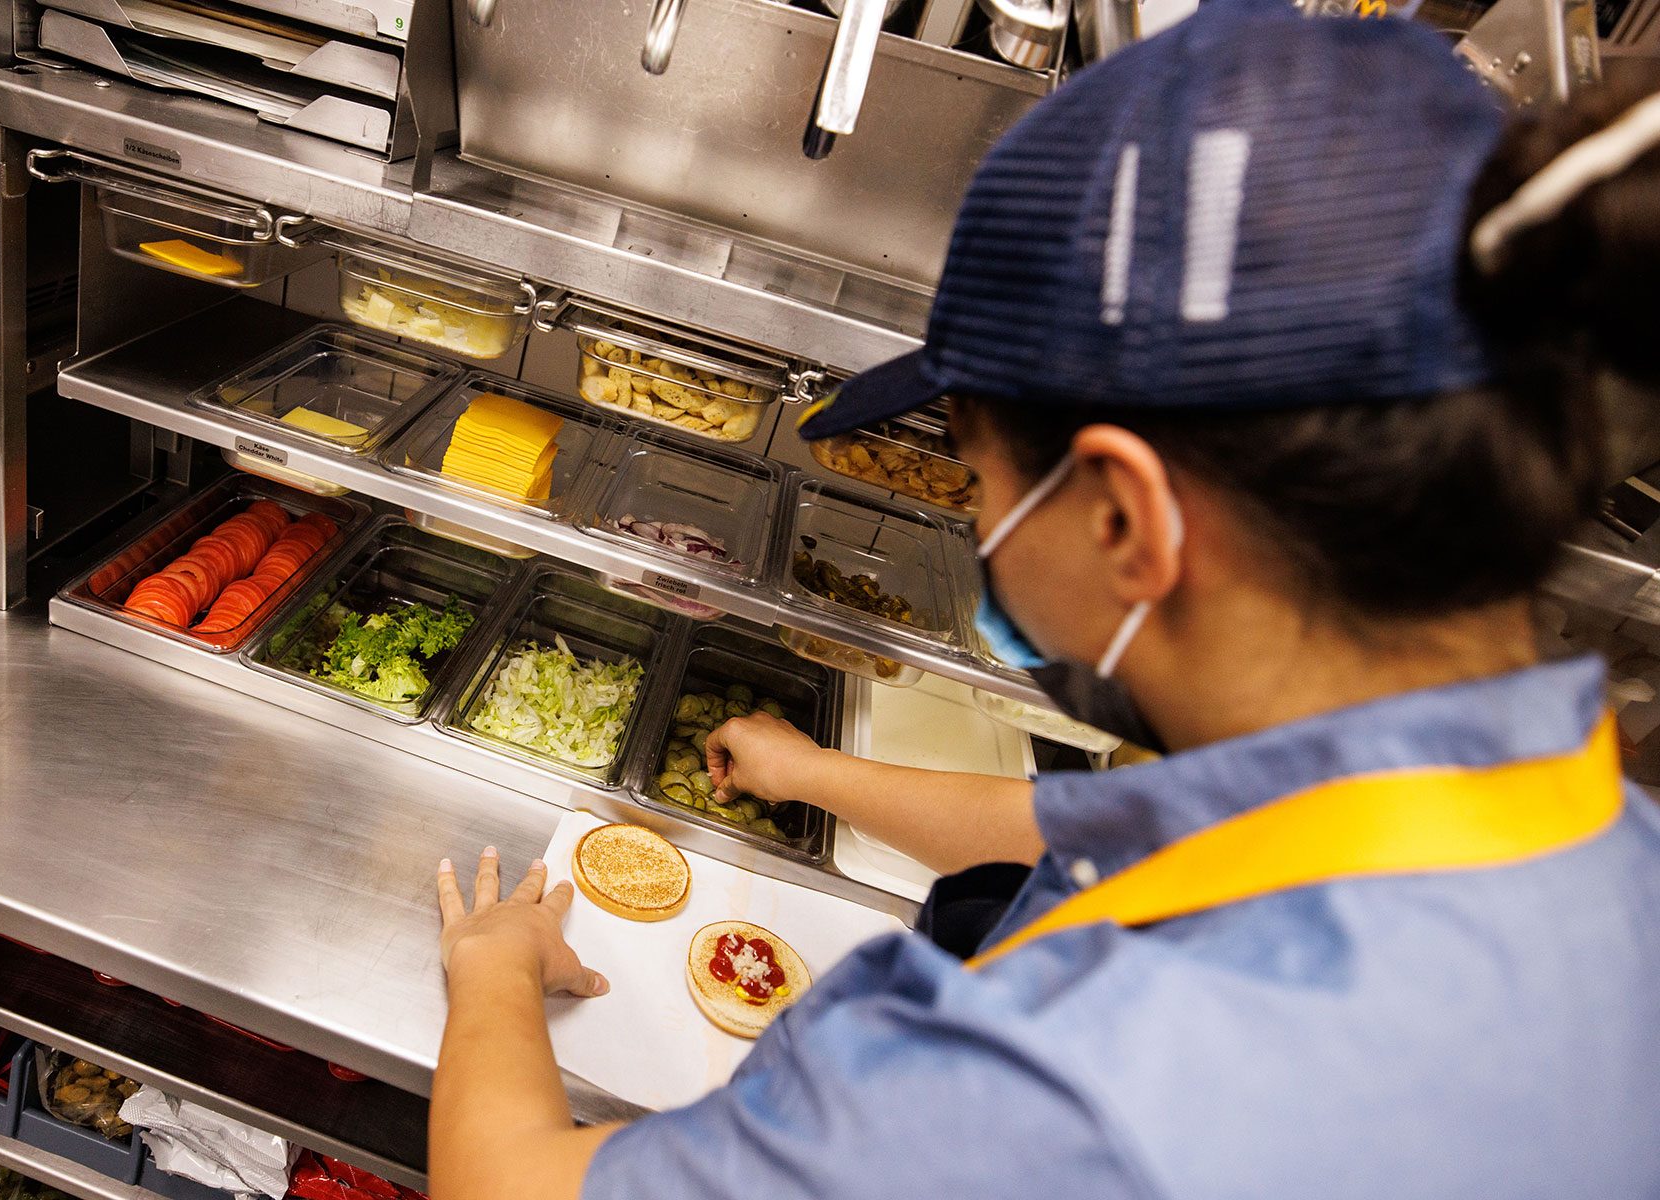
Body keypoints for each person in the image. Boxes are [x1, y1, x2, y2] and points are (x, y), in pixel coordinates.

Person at [428, 1, 1660, 1196]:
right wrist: (818, 776)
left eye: (980, 472)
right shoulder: (1588, 850)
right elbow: (1142, 837)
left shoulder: (1048, 1100)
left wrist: (491, 971)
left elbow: (508, 1185)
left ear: (1123, 517)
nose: (975, 520)